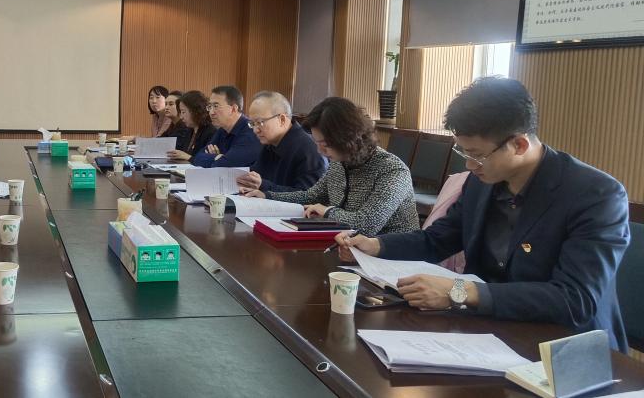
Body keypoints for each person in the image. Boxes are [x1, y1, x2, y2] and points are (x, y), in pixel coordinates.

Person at [335, 77, 630, 352]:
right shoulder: (482, 181)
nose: (469, 166)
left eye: (477, 155)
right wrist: (376, 245)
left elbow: (575, 299)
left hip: (564, 347)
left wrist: (460, 290)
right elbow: (439, 239)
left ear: (519, 145)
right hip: (487, 332)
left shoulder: (595, 194)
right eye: (464, 153)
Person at [243, 97, 418, 236]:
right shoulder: (339, 162)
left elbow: (367, 224)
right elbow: (310, 196)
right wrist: (267, 195)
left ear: (349, 138)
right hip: (347, 247)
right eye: (317, 142)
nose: (319, 150)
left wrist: (327, 211)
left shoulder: (392, 170)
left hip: (392, 259)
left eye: (325, 144)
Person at [234, 91, 327, 195]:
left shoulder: (308, 149)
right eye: (252, 123)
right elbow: (257, 176)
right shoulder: (269, 143)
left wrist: (263, 186)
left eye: (260, 122)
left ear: (282, 119)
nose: (255, 130)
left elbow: (308, 196)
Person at [191, 85, 262, 168]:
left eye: (216, 106)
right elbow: (197, 158)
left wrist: (218, 159)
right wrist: (217, 157)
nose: (211, 112)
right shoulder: (223, 129)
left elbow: (225, 165)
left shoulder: (250, 132)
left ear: (233, 109)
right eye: (210, 107)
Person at [166, 90, 216, 160]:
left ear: (195, 111)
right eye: (180, 112)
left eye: (183, 112)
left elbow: (206, 160)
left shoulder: (210, 132)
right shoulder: (189, 130)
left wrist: (188, 157)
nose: (181, 117)